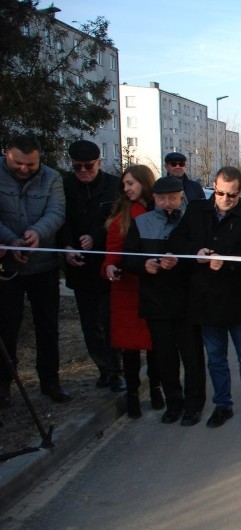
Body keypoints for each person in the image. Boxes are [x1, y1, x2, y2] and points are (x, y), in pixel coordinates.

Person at [170, 167, 241, 428]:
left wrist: (226, 262)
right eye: (220, 193)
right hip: (205, 298)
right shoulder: (197, 210)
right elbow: (178, 240)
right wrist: (196, 251)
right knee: (216, 358)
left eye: (231, 195)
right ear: (214, 186)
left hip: (237, 297)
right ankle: (222, 405)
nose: (224, 199)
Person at [122, 176, 207, 426]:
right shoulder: (141, 223)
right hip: (155, 302)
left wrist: (181, 261)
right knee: (165, 358)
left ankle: (194, 405)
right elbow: (127, 258)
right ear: (154, 199)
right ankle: (174, 403)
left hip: (187, 302)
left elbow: (199, 256)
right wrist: (144, 264)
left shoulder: (191, 222)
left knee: (192, 358)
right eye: (162, 199)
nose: (167, 203)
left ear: (182, 198)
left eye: (172, 198)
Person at [0, 134, 70, 407]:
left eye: (31, 164)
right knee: (7, 327)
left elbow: (57, 212)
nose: (24, 169)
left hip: (43, 265)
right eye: (18, 163)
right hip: (7, 265)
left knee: (48, 327)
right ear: (7, 154)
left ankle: (51, 381)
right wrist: (10, 239)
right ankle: (4, 384)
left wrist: (36, 233)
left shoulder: (51, 177)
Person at [59, 140, 123, 392]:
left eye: (89, 166)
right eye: (77, 167)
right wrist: (66, 247)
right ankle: (103, 369)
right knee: (89, 323)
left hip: (105, 263)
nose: (83, 171)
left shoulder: (112, 185)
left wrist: (96, 236)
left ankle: (116, 371)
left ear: (99, 162)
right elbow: (60, 219)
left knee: (109, 321)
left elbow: (117, 219)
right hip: (79, 265)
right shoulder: (64, 186)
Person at [102, 165, 162, 418]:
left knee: (155, 343)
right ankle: (133, 395)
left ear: (144, 183)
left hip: (153, 286)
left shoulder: (157, 210)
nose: (126, 188)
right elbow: (112, 251)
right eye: (124, 184)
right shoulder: (120, 216)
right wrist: (110, 267)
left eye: (131, 183)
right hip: (126, 288)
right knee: (130, 348)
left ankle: (156, 388)